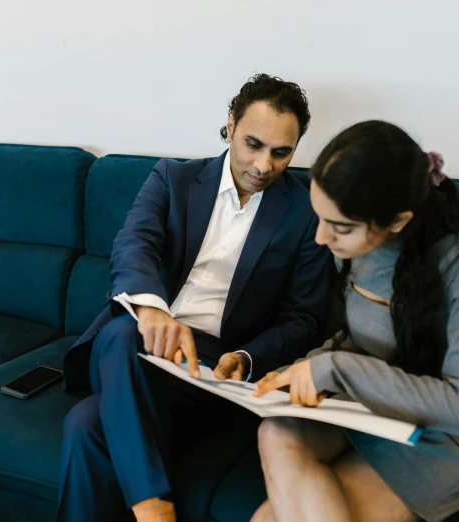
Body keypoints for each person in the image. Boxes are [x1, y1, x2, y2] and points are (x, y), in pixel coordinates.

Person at [57, 74, 333, 522]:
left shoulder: (305, 214)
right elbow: (135, 244)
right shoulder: (174, 178)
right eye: (253, 144)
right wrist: (151, 311)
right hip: (136, 345)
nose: (264, 165)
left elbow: (303, 319)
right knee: (124, 333)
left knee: (86, 426)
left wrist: (245, 358)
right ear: (229, 124)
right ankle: (155, 510)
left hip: (210, 371)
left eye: (281, 152)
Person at [253, 120, 459, 522]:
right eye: (320, 218)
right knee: (274, 429)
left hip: (444, 435)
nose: (321, 239)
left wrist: (337, 369)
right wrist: (300, 371)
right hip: (367, 411)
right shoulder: (348, 242)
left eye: (339, 226)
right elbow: (359, 338)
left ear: (397, 221)